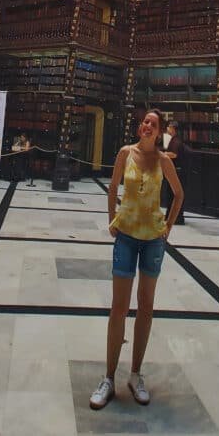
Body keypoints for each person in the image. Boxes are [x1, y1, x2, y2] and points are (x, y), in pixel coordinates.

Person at [90, 109, 183, 411]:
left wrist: (167, 227)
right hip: (127, 237)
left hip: (153, 240)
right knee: (119, 307)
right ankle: (108, 378)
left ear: (159, 133)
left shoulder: (163, 160)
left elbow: (179, 194)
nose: (147, 126)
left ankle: (134, 375)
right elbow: (113, 186)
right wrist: (111, 220)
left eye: (153, 124)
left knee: (145, 306)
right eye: (145, 122)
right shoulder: (124, 153)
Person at [163, 122, 187, 225]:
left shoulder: (176, 141)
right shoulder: (173, 139)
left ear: (173, 128)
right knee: (170, 195)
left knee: (174, 194)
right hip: (174, 170)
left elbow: (174, 154)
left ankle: (176, 218)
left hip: (177, 171)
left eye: (169, 127)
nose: (167, 129)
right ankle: (170, 216)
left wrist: (162, 154)